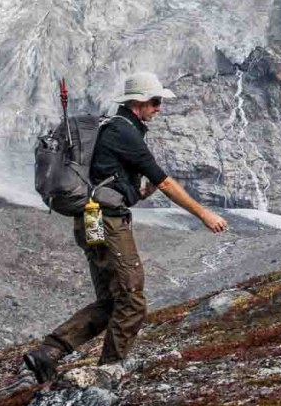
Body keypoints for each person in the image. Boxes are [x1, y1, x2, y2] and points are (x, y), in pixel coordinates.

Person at [22, 71, 228, 384]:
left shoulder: (112, 128)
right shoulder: (125, 133)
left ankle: (48, 352)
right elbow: (166, 181)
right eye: (156, 101)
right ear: (138, 103)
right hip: (108, 222)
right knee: (131, 298)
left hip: (91, 220)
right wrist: (204, 215)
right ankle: (109, 369)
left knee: (110, 301)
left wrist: (137, 193)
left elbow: (107, 179)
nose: (159, 108)